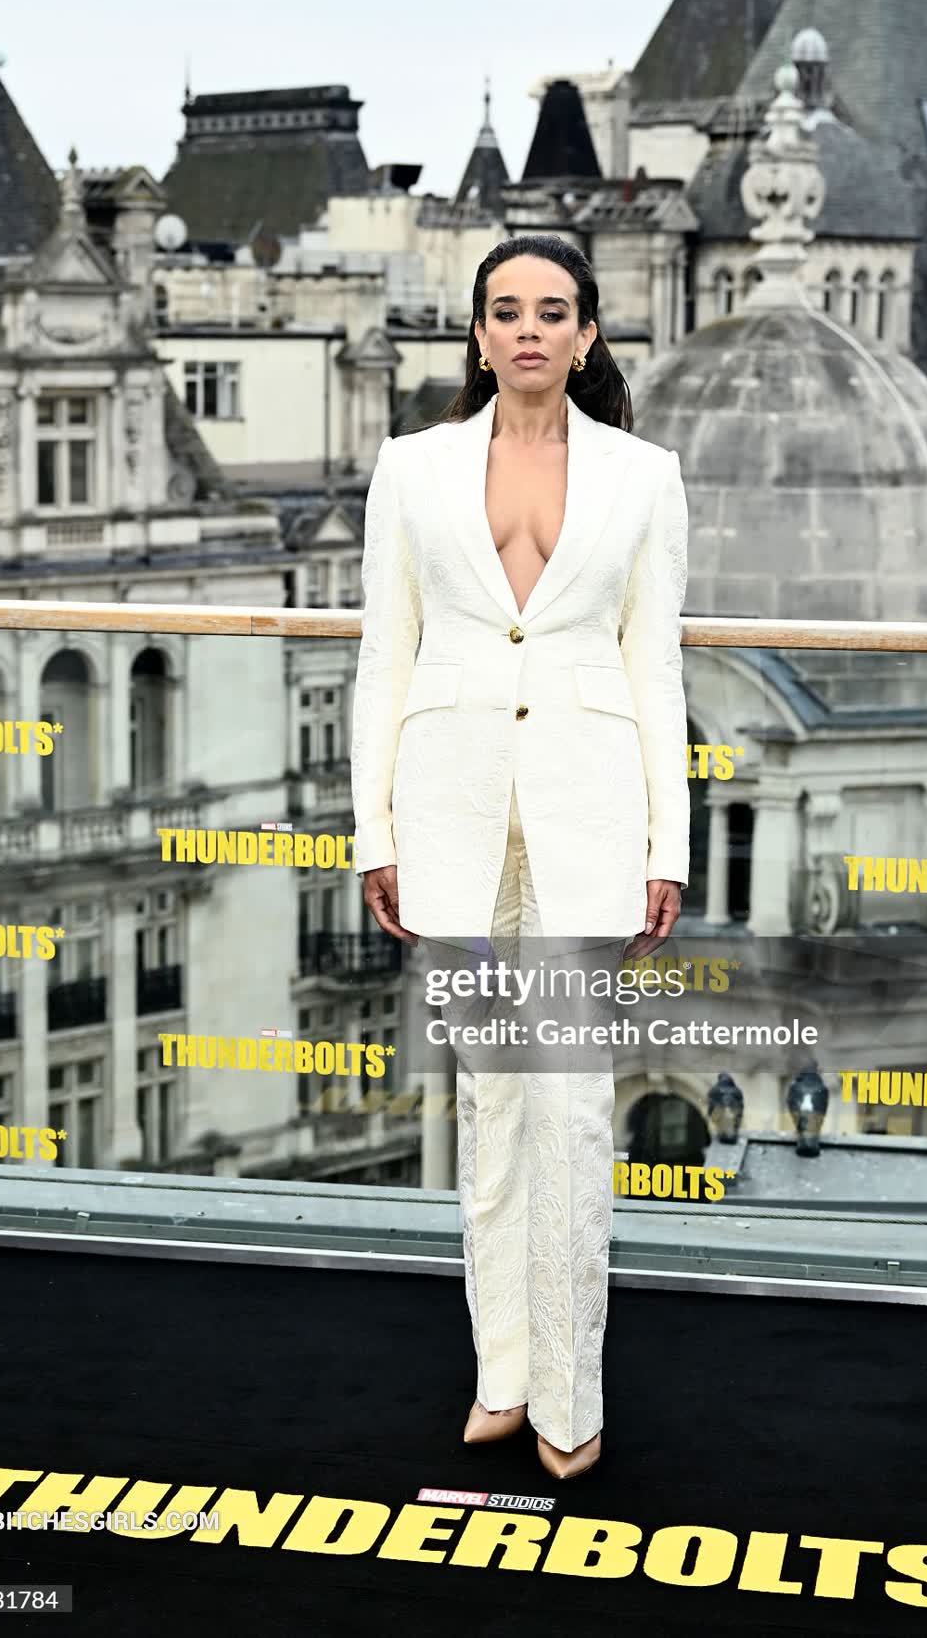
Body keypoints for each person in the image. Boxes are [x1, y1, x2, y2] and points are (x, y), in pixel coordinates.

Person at [351, 232, 690, 1480]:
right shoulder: (411, 467)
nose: (530, 328)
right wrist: (374, 831)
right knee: (491, 1100)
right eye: (507, 310)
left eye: (553, 310)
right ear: (480, 335)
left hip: (589, 813)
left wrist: (667, 842)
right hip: (449, 812)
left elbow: (656, 667)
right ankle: (502, 1371)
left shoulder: (645, 476)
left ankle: (570, 1394)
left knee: (574, 1109)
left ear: (587, 333)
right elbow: (384, 655)